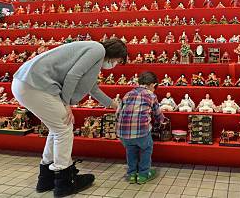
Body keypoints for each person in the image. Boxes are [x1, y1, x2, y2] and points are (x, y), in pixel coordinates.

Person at [11, 39, 127, 197]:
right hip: (36, 84)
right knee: (64, 129)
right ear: (116, 54)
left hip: (26, 82)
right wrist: (66, 103)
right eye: (118, 61)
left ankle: (46, 178)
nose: (115, 65)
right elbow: (74, 75)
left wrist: (114, 105)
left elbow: (91, 87)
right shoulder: (98, 49)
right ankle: (64, 181)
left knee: (57, 128)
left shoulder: (93, 52)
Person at [116, 71, 165, 184]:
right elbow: (157, 114)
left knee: (130, 150)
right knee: (146, 149)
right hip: (141, 132)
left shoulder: (128, 94)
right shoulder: (151, 95)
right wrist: (162, 121)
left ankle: (131, 174)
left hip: (123, 134)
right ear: (153, 85)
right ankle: (143, 174)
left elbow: (118, 113)